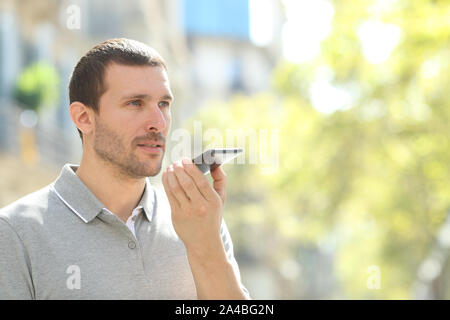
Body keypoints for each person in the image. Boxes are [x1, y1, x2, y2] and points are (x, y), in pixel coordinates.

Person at [0, 38, 250, 300]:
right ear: (84, 118)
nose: (159, 122)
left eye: (163, 104)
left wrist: (207, 248)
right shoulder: (14, 233)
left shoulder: (198, 220)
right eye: (135, 103)